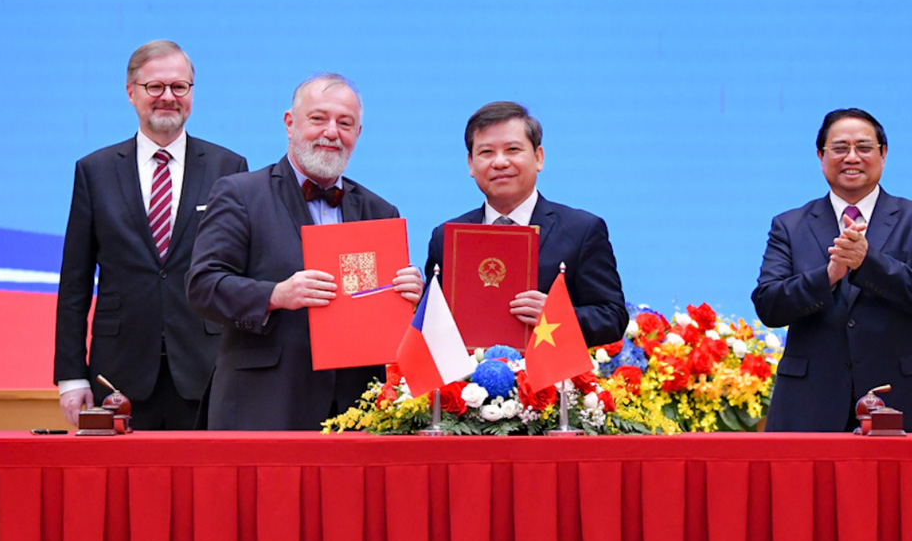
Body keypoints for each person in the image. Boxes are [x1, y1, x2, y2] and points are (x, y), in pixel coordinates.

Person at [188, 73, 423, 430]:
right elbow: (203, 286)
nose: (331, 132)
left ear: (358, 134)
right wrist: (276, 294)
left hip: (357, 410)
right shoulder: (240, 194)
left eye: (345, 123)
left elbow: (385, 320)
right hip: (263, 407)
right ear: (289, 123)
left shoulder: (380, 211)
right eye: (318, 118)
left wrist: (409, 296)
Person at [54, 40, 249, 430]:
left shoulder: (229, 168)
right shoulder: (95, 171)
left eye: (179, 87)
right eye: (155, 87)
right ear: (131, 93)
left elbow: (242, 276)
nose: (168, 97)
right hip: (117, 377)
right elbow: (75, 282)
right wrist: (71, 377)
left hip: (207, 371)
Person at [752, 108, 912, 432]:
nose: (852, 157)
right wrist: (827, 277)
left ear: (883, 154)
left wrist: (868, 263)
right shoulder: (789, 225)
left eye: (864, 147)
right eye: (840, 148)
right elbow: (769, 305)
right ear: (821, 156)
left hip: (898, 398)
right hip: (809, 404)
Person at [423, 101, 629, 347]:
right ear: (471, 164)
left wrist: (557, 315)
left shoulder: (582, 230)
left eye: (512, 149)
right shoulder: (447, 237)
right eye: (486, 152)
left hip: (552, 370)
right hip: (468, 372)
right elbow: (430, 326)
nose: (500, 162)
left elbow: (613, 317)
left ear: (538, 158)